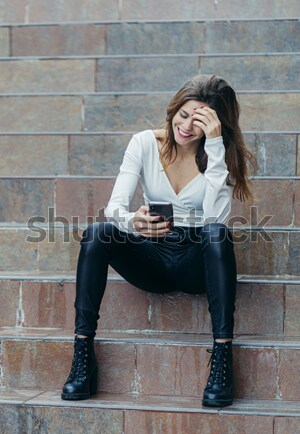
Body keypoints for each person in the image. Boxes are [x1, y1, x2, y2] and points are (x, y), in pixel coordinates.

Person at [61, 74, 256, 407]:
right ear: (173, 108)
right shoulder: (144, 143)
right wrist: (134, 224)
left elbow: (215, 219)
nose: (187, 126)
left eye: (200, 121)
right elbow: (114, 208)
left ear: (215, 126)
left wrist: (215, 145)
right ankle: (82, 354)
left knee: (216, 233)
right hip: (153, 255)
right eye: (183, 114)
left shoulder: (218, 156)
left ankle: (222, 356)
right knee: (97, 233)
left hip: (198, 263)